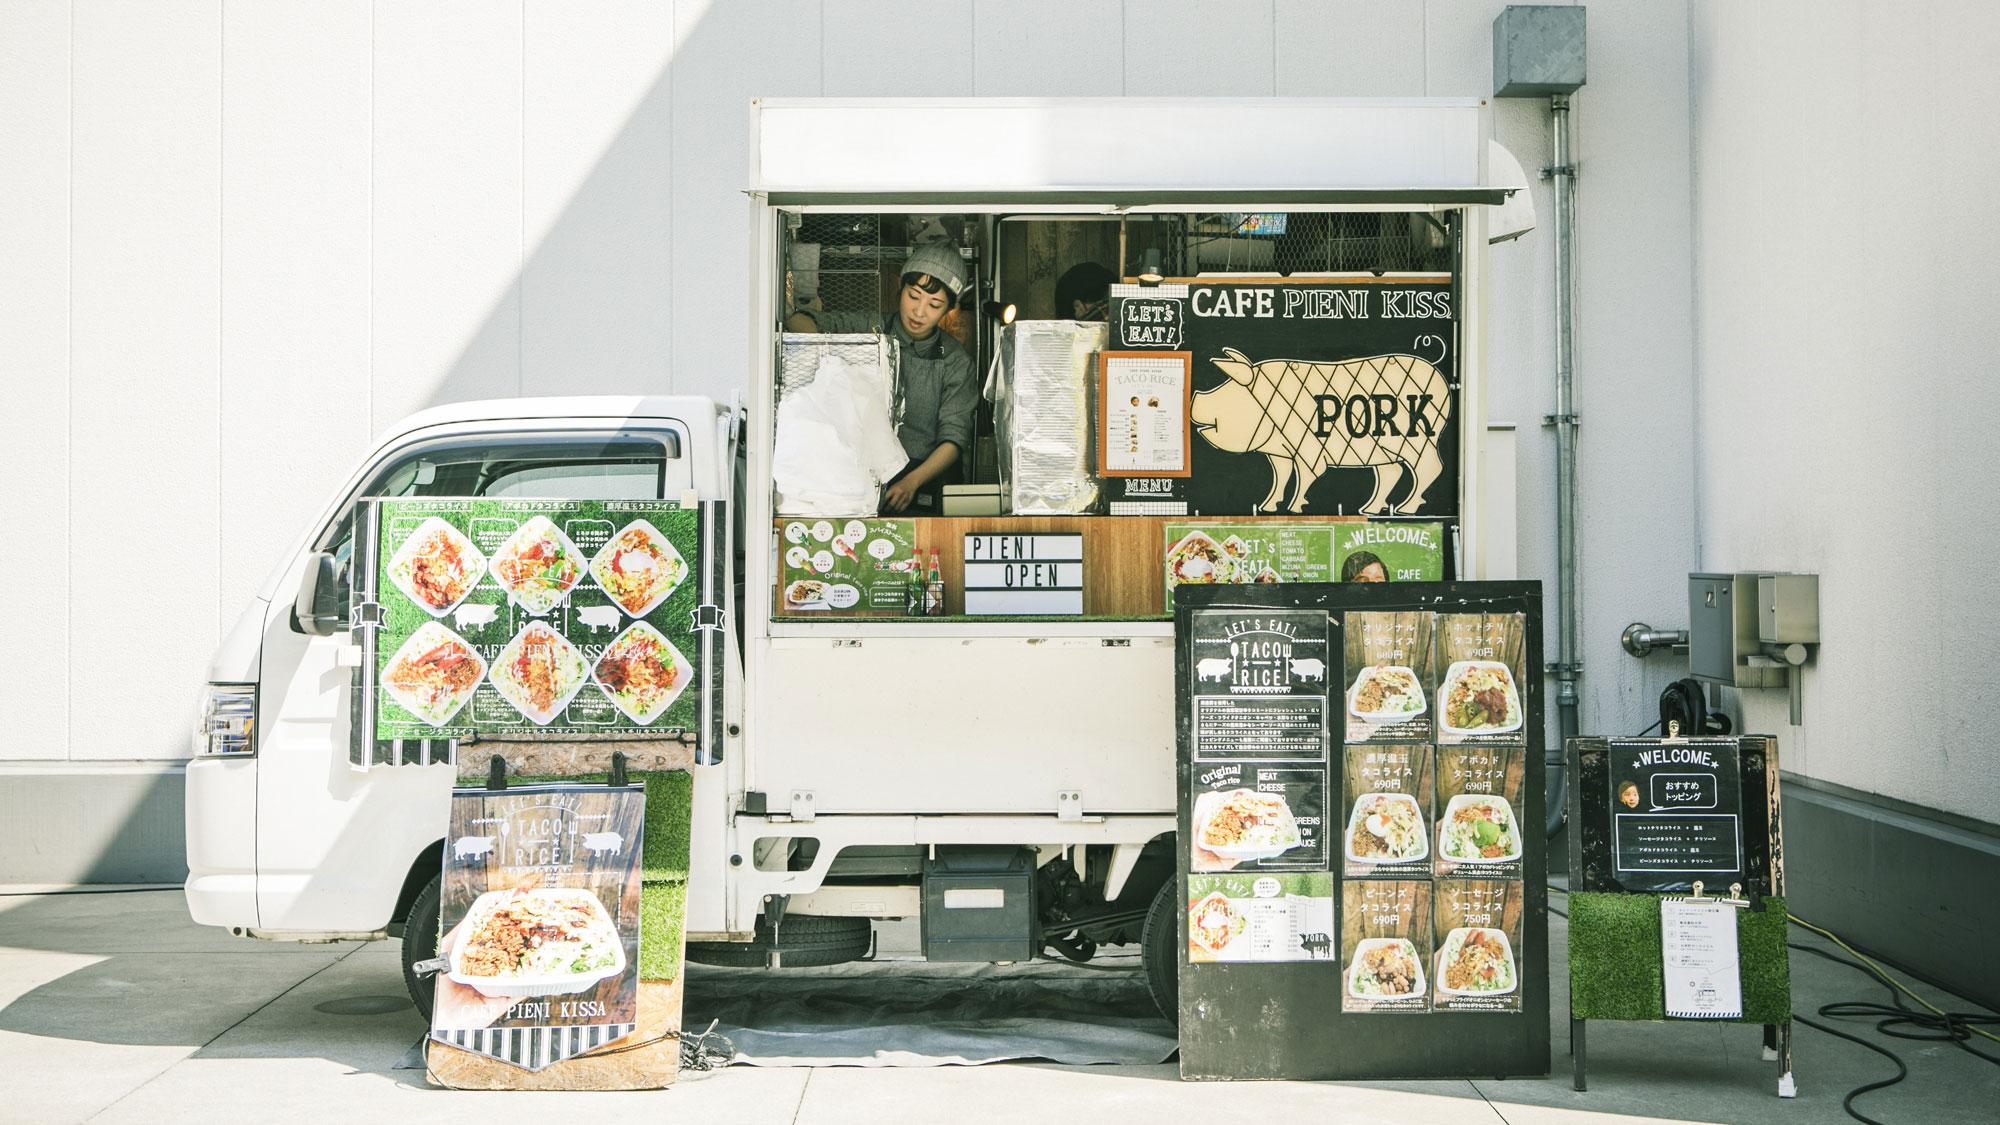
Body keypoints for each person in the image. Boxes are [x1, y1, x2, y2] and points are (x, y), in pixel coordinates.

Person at [787, 244, 976, 514]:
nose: (919, 312)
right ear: (900, 287)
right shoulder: (870, 327)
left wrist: (912, 482)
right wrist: (831, 356)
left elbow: (954, 440)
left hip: (917, 481)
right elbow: (800, 321)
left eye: (934, 305)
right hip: (850, 473)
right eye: (914, 296)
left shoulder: (955, 362)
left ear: (948, 310)